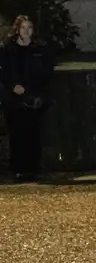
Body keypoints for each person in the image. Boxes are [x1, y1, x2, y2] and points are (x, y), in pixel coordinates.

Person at [1, 15, 56, 181]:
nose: (26, 31)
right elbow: (4, 71)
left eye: (29, 27)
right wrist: (13, 86)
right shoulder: (7, 48)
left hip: (35, 95)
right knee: (17, 133)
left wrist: (38, 92)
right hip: (14, 97)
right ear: (17, 29)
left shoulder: (40, 48)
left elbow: (47, 71)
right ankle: (18, 168)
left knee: (34, 132)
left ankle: (34, 167)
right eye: (23, 27)